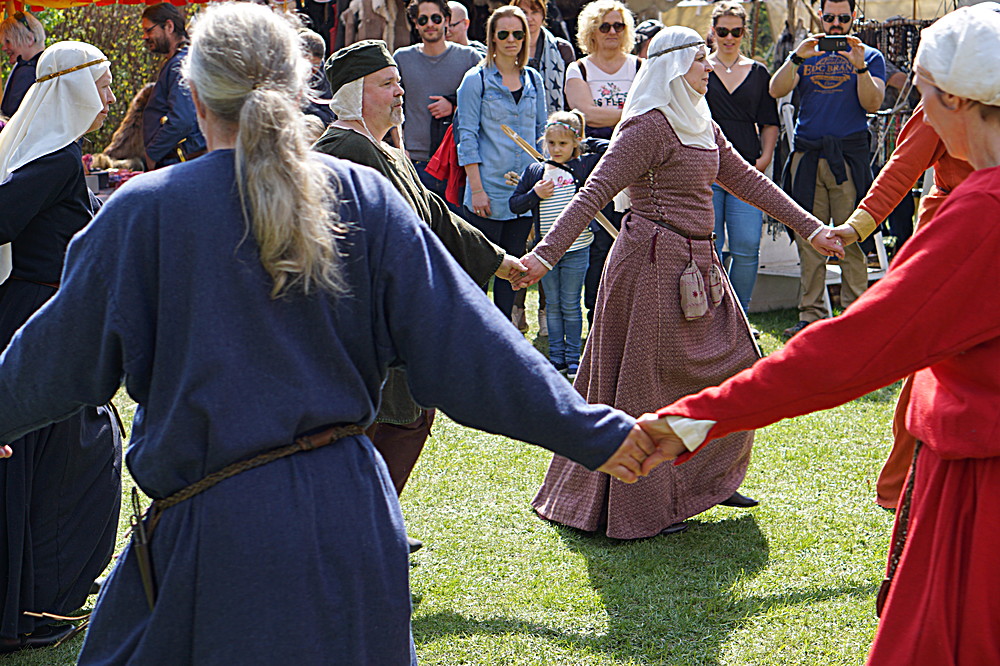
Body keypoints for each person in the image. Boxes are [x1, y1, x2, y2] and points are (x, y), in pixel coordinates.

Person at [0, 5, 662, 663]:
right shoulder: (358, 198)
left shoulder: (145, 211)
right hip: (350, 527)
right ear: (299, 93)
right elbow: (475, 349)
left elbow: (48, 363)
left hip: (223, 542)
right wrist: (594, 433)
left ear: (195, 97)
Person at [639, 9, 1000, 663]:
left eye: (921, 94)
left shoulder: (982, 212)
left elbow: (850, 350)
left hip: (984, 491)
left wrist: (700, 416)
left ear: (958, 101)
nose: (917, 113)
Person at [516, 27, 844, 540]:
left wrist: (812, 228)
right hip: (649, 264)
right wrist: (543, 256)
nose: (709, 67)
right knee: (648, 386)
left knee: (736, 364)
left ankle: (707, 478)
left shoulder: (701, 122)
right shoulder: (647, 127)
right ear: (671, 67)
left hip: (699, 264)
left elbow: (750, 182)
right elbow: (593, 192)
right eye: (699, 60)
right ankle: (643, 504)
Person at [313, 39, 527, 549]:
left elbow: (434, 214)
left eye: (398, 82)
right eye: (386, 84)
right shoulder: (344, 152)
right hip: (365, 326)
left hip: (399, 319)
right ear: (351, 95)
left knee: (407, 417)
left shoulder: (384, 150)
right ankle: (355, 533)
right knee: (376, 427)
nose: (399, 93)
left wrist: (499, 260)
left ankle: (371, 523)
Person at [0, 41, 121, 655]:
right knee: (50, 465)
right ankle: (22, 611)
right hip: (36, 320)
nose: (109, 100)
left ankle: (30, 603)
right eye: (101, 87)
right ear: (73, 89)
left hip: (41, 313)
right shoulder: (54, 160)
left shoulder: (56, 156)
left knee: (49, 464)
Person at [823, 101, 975, 510]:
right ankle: (899, 484)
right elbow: (902, 168)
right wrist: (857, 226)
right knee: (934, 363)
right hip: (953, 240)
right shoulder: (952, 93)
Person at [769, 0, 886, 338]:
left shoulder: (869, 56)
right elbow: (776, 89)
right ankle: (811, 317)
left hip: (847, 159)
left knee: (852, 238)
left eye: (843, 18)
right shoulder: (806, 53)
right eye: (830, 18)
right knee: (809, 240)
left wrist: (860, 66)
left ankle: (856, 316)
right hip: (808, 157)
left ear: (853, 18)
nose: (836, 25)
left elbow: (873, 103)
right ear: (821, 16)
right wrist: (797, 57)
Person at [456, 4, 546, 320]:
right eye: (503, 34)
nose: (511, 40)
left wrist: (540, 186)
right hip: (487, 190)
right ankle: (476, 336)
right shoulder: (475, 80)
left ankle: (505, 333)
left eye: (518, 34)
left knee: (515, 270)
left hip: (523, 193)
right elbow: (465, 136)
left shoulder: (534, 80)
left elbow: (541, 137)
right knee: (480, 270)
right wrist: (476, 189)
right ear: (492, 38)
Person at [563, 0, 639, 325]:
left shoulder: (640, 66)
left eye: (618, 26)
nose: (611, 32)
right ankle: (597, 318)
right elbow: (586, 115)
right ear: (591, 30)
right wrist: (633, 110)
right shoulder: (578, 69)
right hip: (597, 162)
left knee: (636, 241)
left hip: (637, 161)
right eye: (604, 26)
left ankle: (632, 318)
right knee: (600, 243)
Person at [509, 110, 602, 377]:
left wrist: (585, 140)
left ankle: (574, 358)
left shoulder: (582, 166)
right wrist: (534, 194)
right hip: (545, 252)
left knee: (570, 304)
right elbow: (515, 204)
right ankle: (557, 358)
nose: (556, 149)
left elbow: (609, 149)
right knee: (552, 305)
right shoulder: (536, 170)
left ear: (575, 142)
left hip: (577, 248)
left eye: (563, 143)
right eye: (551, 143)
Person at [706, 1, 779, 318]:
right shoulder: (701, 68)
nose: (729, 37)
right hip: (706, 172)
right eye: (723, 30)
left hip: (746, 171)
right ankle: (712, 319)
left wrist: (763, 160)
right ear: (713, 31)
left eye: (736, 31)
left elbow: (770, 122)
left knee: (747, 246)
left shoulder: (759, 72)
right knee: (711, 247)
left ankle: (741, 318)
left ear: (744, 32)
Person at [394, 0, 480, 197]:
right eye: (423, 20)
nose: (430, 24)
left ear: (447, 21)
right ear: (415, 24)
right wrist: (400, 149)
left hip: (457, 162)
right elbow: (392, 107)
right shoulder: (402, 58)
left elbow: (484, 104)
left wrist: (454, 105)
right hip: (415, 161)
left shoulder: (470, 58)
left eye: (436, 18)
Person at [140, 3, 207, 169]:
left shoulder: (181, 64)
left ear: (169, 26)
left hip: (178, 162)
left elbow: (182, 119)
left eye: (149, 30)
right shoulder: (179, 62)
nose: (145, 37)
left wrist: (153, 153)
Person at [511, 0, 574, 115]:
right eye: (523, 12)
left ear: (543, 15)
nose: (529, 18)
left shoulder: (562, 49)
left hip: (553, 123)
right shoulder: (503, 49)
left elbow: (571, 96)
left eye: (535, 12)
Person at [0, 11, 44, 118]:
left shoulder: (27, 71)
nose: (4, 48)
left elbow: (11, 116)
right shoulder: (45, 67)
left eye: (8, 41)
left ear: (29, 39)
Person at [299, 28, 335, 127]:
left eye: (315, 66)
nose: (311, 71)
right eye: (307, 65)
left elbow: (329, 115)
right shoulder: (285, 70)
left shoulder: (325, 75)